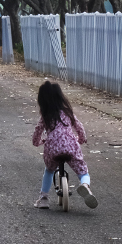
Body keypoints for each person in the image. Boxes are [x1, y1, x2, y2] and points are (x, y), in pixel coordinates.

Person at [31, 79, 98, 209]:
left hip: (52, 149)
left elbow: (37, 130)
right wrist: (81, 139)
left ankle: (44, 198)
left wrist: (36, 142)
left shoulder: (45, 115)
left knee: (49, 171)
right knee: (83, 172)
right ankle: (85, 186)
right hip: (71, 147)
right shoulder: (67, 112)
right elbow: (79, 127)